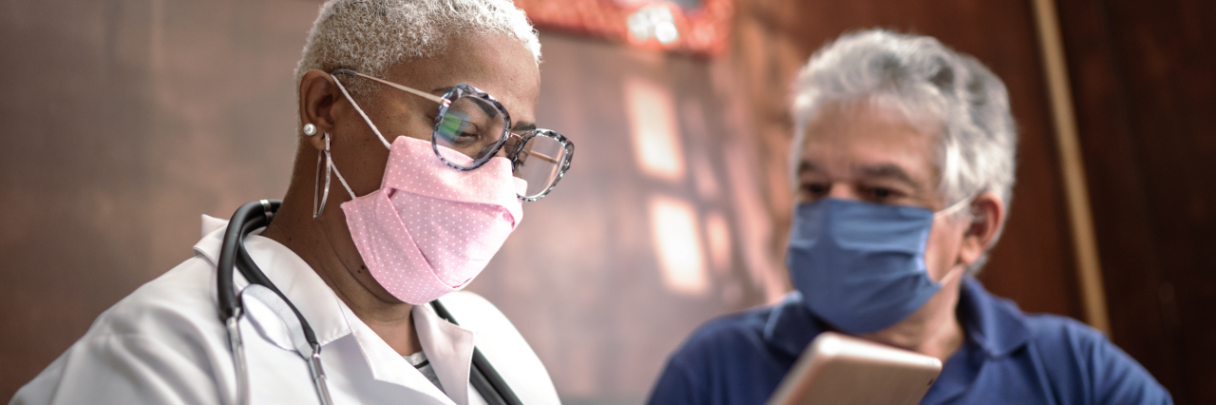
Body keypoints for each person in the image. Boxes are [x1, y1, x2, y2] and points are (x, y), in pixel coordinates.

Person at [10, 1, 574, 404]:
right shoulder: (163, 356)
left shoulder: (493, 338)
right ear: (327, 105)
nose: (497, 178)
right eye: (462, 126)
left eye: (516, 151)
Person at [646, 29, 1171, 405]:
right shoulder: (714, 369)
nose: (834, 211)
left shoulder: (1074, 370)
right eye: (815, 187)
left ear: (975, 228)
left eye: (879, 191)